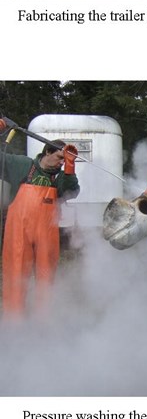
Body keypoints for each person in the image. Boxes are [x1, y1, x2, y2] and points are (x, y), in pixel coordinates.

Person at [1, 134, 79, 318]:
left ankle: (43, 322)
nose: (61, 162)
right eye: (60, 158)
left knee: (46, 275)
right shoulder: (21, 165)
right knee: (15, 272)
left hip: (47, 232)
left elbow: (71, 191)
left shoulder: (59, 178)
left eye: (64, 160)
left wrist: (70, 167)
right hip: (18, 229)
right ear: (47, 151)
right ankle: (14, 320)